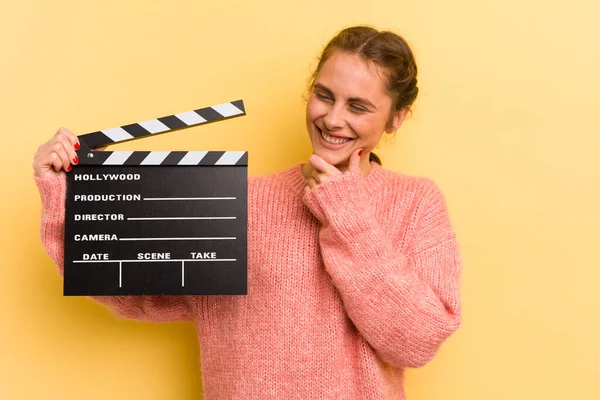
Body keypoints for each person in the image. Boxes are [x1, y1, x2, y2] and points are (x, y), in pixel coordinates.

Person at [33, 25, 462, 399]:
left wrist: (345, 213)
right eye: (324, 95)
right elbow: (132, 291)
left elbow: (416, 341)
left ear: (396, 118)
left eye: (358, 106)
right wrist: (65, 194)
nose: (332, 119)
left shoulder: (417, 203)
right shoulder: (240, 201)